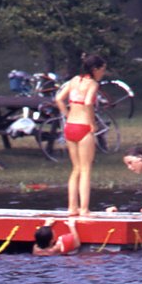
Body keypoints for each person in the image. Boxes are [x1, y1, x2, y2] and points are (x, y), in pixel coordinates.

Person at [54, 53, 106, 216]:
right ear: (95, 69)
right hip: (83, 126)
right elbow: (89, 102)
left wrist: (67, 115)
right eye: (102, 70)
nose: (103, 73)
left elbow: (58, 98)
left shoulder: (74, 80)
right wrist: (92, 122)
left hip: (70, 126)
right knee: (85, 169)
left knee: (75, 168)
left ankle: (72, 207)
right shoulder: (92, 84)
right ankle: (84, 208)